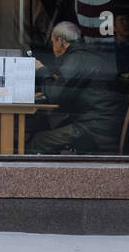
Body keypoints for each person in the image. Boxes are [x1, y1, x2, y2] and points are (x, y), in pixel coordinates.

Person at [28, 22, 124, 154]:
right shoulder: (84, 54)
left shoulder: (77, 58)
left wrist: (41, 70)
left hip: (95, 128)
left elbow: (56, 95)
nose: (53, 48)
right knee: (46, 129)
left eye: (53, 43)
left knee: (39, 140)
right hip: (102, 123)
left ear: (61, 41)